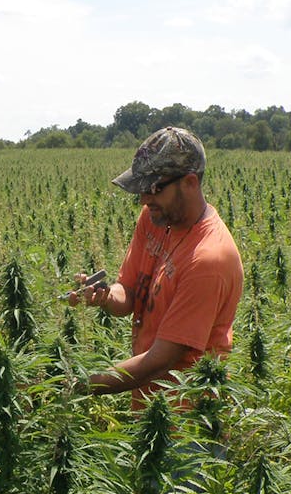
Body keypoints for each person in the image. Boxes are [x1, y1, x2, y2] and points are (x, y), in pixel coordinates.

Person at [70, 126, 243, 399]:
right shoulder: (155, 218)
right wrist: (105, 296)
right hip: (148, 406)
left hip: (189, 422)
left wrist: (75, 385)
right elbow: (127, 292)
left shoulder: (208, 260)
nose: (143, 199)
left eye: (153, 188)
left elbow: (159, 362)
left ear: (190, 183)